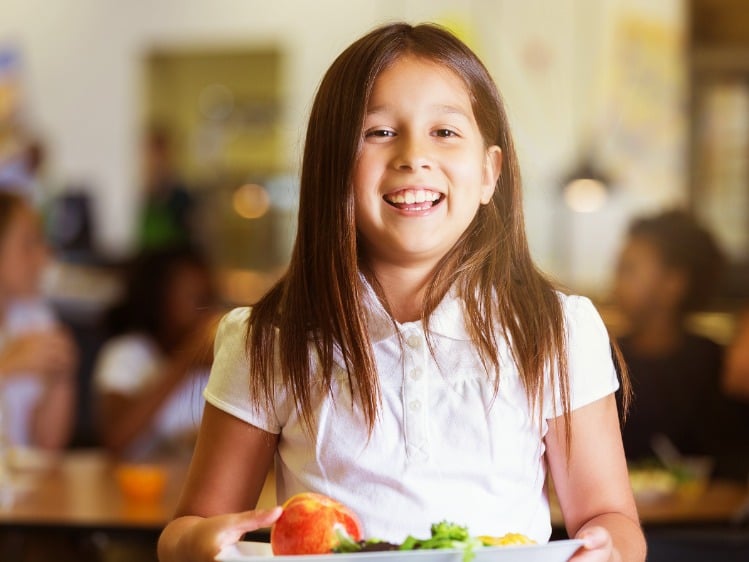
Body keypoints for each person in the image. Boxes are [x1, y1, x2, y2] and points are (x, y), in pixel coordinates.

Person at [159, 23, 645, 562]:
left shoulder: (558, 329)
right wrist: (199, 545)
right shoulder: (269, 339)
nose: (413, 156)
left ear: (490, 173)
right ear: (332, 170)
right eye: (379, 133)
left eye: (445, 132)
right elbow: (187, 530)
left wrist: (609, 550)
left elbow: (612, 519)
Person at [612, 210, 738, 466]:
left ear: (673, 284)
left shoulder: (714, 364)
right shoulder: (608, 357)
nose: (615, 282)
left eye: (629, 269)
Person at [93, 246, 217, 460]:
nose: (206, 312)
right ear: (159, 302)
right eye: (194, 299)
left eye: (209, 299)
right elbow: (115, 439)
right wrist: (186, 361)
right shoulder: (126, 354)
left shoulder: (219, 361)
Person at [0, 190, 77, 449]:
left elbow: (47, 448)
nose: (44, 257)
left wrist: (61, 378)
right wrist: (6, 367)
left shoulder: (34, 317)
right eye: (28, 243)